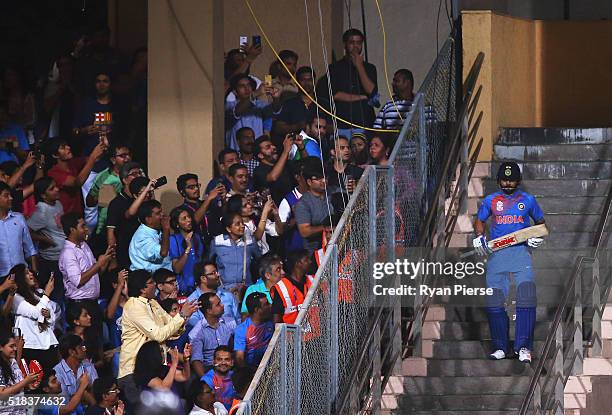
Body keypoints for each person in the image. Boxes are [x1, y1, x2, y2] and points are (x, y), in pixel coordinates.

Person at [473, 162, 546, 363]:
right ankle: (501, 347)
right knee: (494, 300)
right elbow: (480, 220)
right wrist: (478, 236)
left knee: (526, 297)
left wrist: (535, 237)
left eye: (512, 179)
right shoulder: (491, 200)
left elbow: (541, 224)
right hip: (497, 255)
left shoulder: (528, 200)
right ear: (498, 180)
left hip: (520, 253)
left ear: (519, 181)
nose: (508, 183)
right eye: (504, 179)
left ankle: (523, 347)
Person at [117, 269, 198, 406]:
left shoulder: (153, 303)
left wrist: (184, 317)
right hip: (134, 371)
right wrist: (181, 316)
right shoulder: (133, 306)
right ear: (142, 289)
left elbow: (173, 331)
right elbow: (158, 334)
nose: (154, 285)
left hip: (155, 366)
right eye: (151, 283)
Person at [318, 28, 378, 137]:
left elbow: (371, 91)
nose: (355, 46)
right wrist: (362, 97)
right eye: (352, 42)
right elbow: (335, 94)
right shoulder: (335, 68)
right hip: (342, 126)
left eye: (359, 43)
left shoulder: (370, 68)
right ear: (345, 44)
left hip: (365, 124)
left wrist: (359, 66)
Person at [59, 212, 114, 325]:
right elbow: (78, 281)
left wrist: (105, 260)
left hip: (92, 303)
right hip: (80, 306)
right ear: (72, 230)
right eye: (82, 226)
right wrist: (99, 264)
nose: (86, 229)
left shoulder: (84, 246)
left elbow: (96, 273)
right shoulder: (68, 253)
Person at [10, 264, 59, 372]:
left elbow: (52, 318)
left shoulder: (38, 295)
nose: (31, 274)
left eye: (30, 272)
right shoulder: (16, 298)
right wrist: (46, 295)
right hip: (30, 346)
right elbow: (36, 313)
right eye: (27, 273)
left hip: (48, 344)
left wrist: (48, 315)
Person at [28, 177, 66, 301]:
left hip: (63, 255)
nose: (57, 189)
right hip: (52, 260)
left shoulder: (57, 204)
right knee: (57, 294)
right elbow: (27, 232)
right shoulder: (41, 211)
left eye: (56, 186)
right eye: (52, 189)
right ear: (43, 195)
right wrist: (44, 239)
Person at [47, 138, 106, 215]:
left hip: (78, 212)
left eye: (67, 145)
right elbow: (77, 182)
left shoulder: (72, 163)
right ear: (55, 155)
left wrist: (103, 146)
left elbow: (95, 159)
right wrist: (93, 157)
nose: (68, 147)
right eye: (63, 147)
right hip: (65, 215)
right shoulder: (53, 172)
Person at [225, 74, 282, 151]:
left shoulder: (259, 104)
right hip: (237, 154)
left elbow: (275, 111)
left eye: (249, 85)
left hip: (256, 153)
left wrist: (276, 99)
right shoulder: (230, 105)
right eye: (242, 86)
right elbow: (236, 111)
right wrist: (256, 93)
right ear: (235, 91)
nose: (247, 88)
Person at [85, 144, 132, 239]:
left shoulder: (136, 173)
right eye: (123, 156)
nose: (127, 158)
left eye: (129, 154)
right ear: (113, 160)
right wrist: (102, 197)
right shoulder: (102, 176)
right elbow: (89, 202)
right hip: (106, 228)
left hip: (129, 225)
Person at [106, 169, 147, 269]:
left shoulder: (144, 200)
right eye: (134, 174)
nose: (138, 176)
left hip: (144, 250)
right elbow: (110, 232)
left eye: (140, 173)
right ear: (124, 180)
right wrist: (113, 259)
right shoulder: (116, 203)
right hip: (125, 250)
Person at [189, 293, 237, 377]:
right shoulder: (196, 333)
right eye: (218, 304)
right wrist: (207, 381)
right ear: (209, 311)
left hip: (230, 364)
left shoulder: (230, 323)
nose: (222, 305)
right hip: (210, 369)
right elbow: (196, 360)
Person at [208, 213, 261, 290]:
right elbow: (209, 262)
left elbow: (259, 260)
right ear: (228, 229)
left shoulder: (250, 241)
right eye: (237, 224)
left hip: (246, 288)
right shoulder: (217, 242)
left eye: (242, 223)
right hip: (224, 289)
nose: (242, 226)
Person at [294, 162, 334, 254]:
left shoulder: (334, 192)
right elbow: (305, 231)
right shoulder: (303, 203)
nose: (323, 181)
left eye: (324, 177)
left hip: (338, 244)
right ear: (309, 182)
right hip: (316, 251)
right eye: (318, 179)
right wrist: (327, 228)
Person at [0, 181, 38, 276]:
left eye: (10, 195)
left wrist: (34, 272)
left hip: (22, 275)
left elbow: (30, 249)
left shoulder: (19, 218)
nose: (11, 198)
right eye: (6, 195)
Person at [53, 334, 98, 412]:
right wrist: (82, 388)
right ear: (72, 352)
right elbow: (64, 405)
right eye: (81, 347)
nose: (84, 349)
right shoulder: (57, 373)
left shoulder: (89, 366)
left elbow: (98, 392)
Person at [187, 261, 241, 327]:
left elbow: (238, 320)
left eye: (216, 272)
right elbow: (196, 326)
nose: (218, 275)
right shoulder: (192, 302)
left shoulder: (228, 295)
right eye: (213, 273)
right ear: (203, 278)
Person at [175, 173, 223, 245]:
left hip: (215, 245)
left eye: (197, 185)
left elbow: (224, 217)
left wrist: (223, 199)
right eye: (191, 187)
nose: (196, 189)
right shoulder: (181, 210)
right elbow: (194, 221)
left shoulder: (208, 204)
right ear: (182, 192)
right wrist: (209, 198)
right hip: (196, 247)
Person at [0, 331, 40, 415]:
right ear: (1, 347)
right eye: (11, 346)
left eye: (15, 346)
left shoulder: (13, 362)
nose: (15, 348)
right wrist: (25, 382)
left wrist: (28, 385)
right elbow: (2, 394)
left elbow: (16, 383)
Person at [270, 249, 315, 324]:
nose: (310, 262)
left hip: (315, 334)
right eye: (306, 260)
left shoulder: (313, 280)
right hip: (292, 334)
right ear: (298, 263)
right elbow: (276, 318)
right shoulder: (281, 287)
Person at [168, 205, 205, 295]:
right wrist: (187, 248)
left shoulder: (196, 237)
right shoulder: (173, 239)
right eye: (184, 218)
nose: (189, 220)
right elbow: (176, 269)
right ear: (177, 224)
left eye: (189, 217)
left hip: (199, 287)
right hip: (184, 289)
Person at [273, 67, 319, 138]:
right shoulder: (289, 103)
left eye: (310, 79)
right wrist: (297, 126)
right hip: (295, 145)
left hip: (320, 145)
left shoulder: (323, 103)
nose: (307, 83)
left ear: (314, 81)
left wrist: (319, 126)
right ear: (297, 82)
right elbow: (278, 128)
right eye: (303, 80)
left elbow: (333, 127)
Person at [129, 200, 172, 273]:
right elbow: (163, 253)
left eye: (161, 211)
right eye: (158, 213)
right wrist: (166, 229)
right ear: (148, 219)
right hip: (149, 278)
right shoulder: (142, 237)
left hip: (165, 272)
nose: (162, 215)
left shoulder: (156, 229)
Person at [234, 292, 274, 368]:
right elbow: (239, 358)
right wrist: (250, 374)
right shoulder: (242, 329)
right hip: (252, 369)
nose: (270, 305)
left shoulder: (272, 323)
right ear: (257, 310)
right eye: (266, 304)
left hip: (272, 366)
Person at [253, 134, 295, 204]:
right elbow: (273, 177)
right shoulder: (258, 171)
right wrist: (285, 151)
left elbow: (305, 168)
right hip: (276, 210)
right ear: (260, 155)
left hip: (294, 205)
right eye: (268, 147)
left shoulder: (286, 164)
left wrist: (301, 147)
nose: (274, 147)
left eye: (272, 145)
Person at [278, 160, 308, 254]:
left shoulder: (318, 196)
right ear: (297, 177)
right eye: (305, 174)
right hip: (296, 252)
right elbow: (281, 229)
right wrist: (296, 217)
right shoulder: (288, 201)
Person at [201, 346, 236, 411]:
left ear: (232, 362)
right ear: (213, 362)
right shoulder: (206, 381)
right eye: (219, 359)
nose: (223, 363)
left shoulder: (237, 377)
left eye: (227, 359)